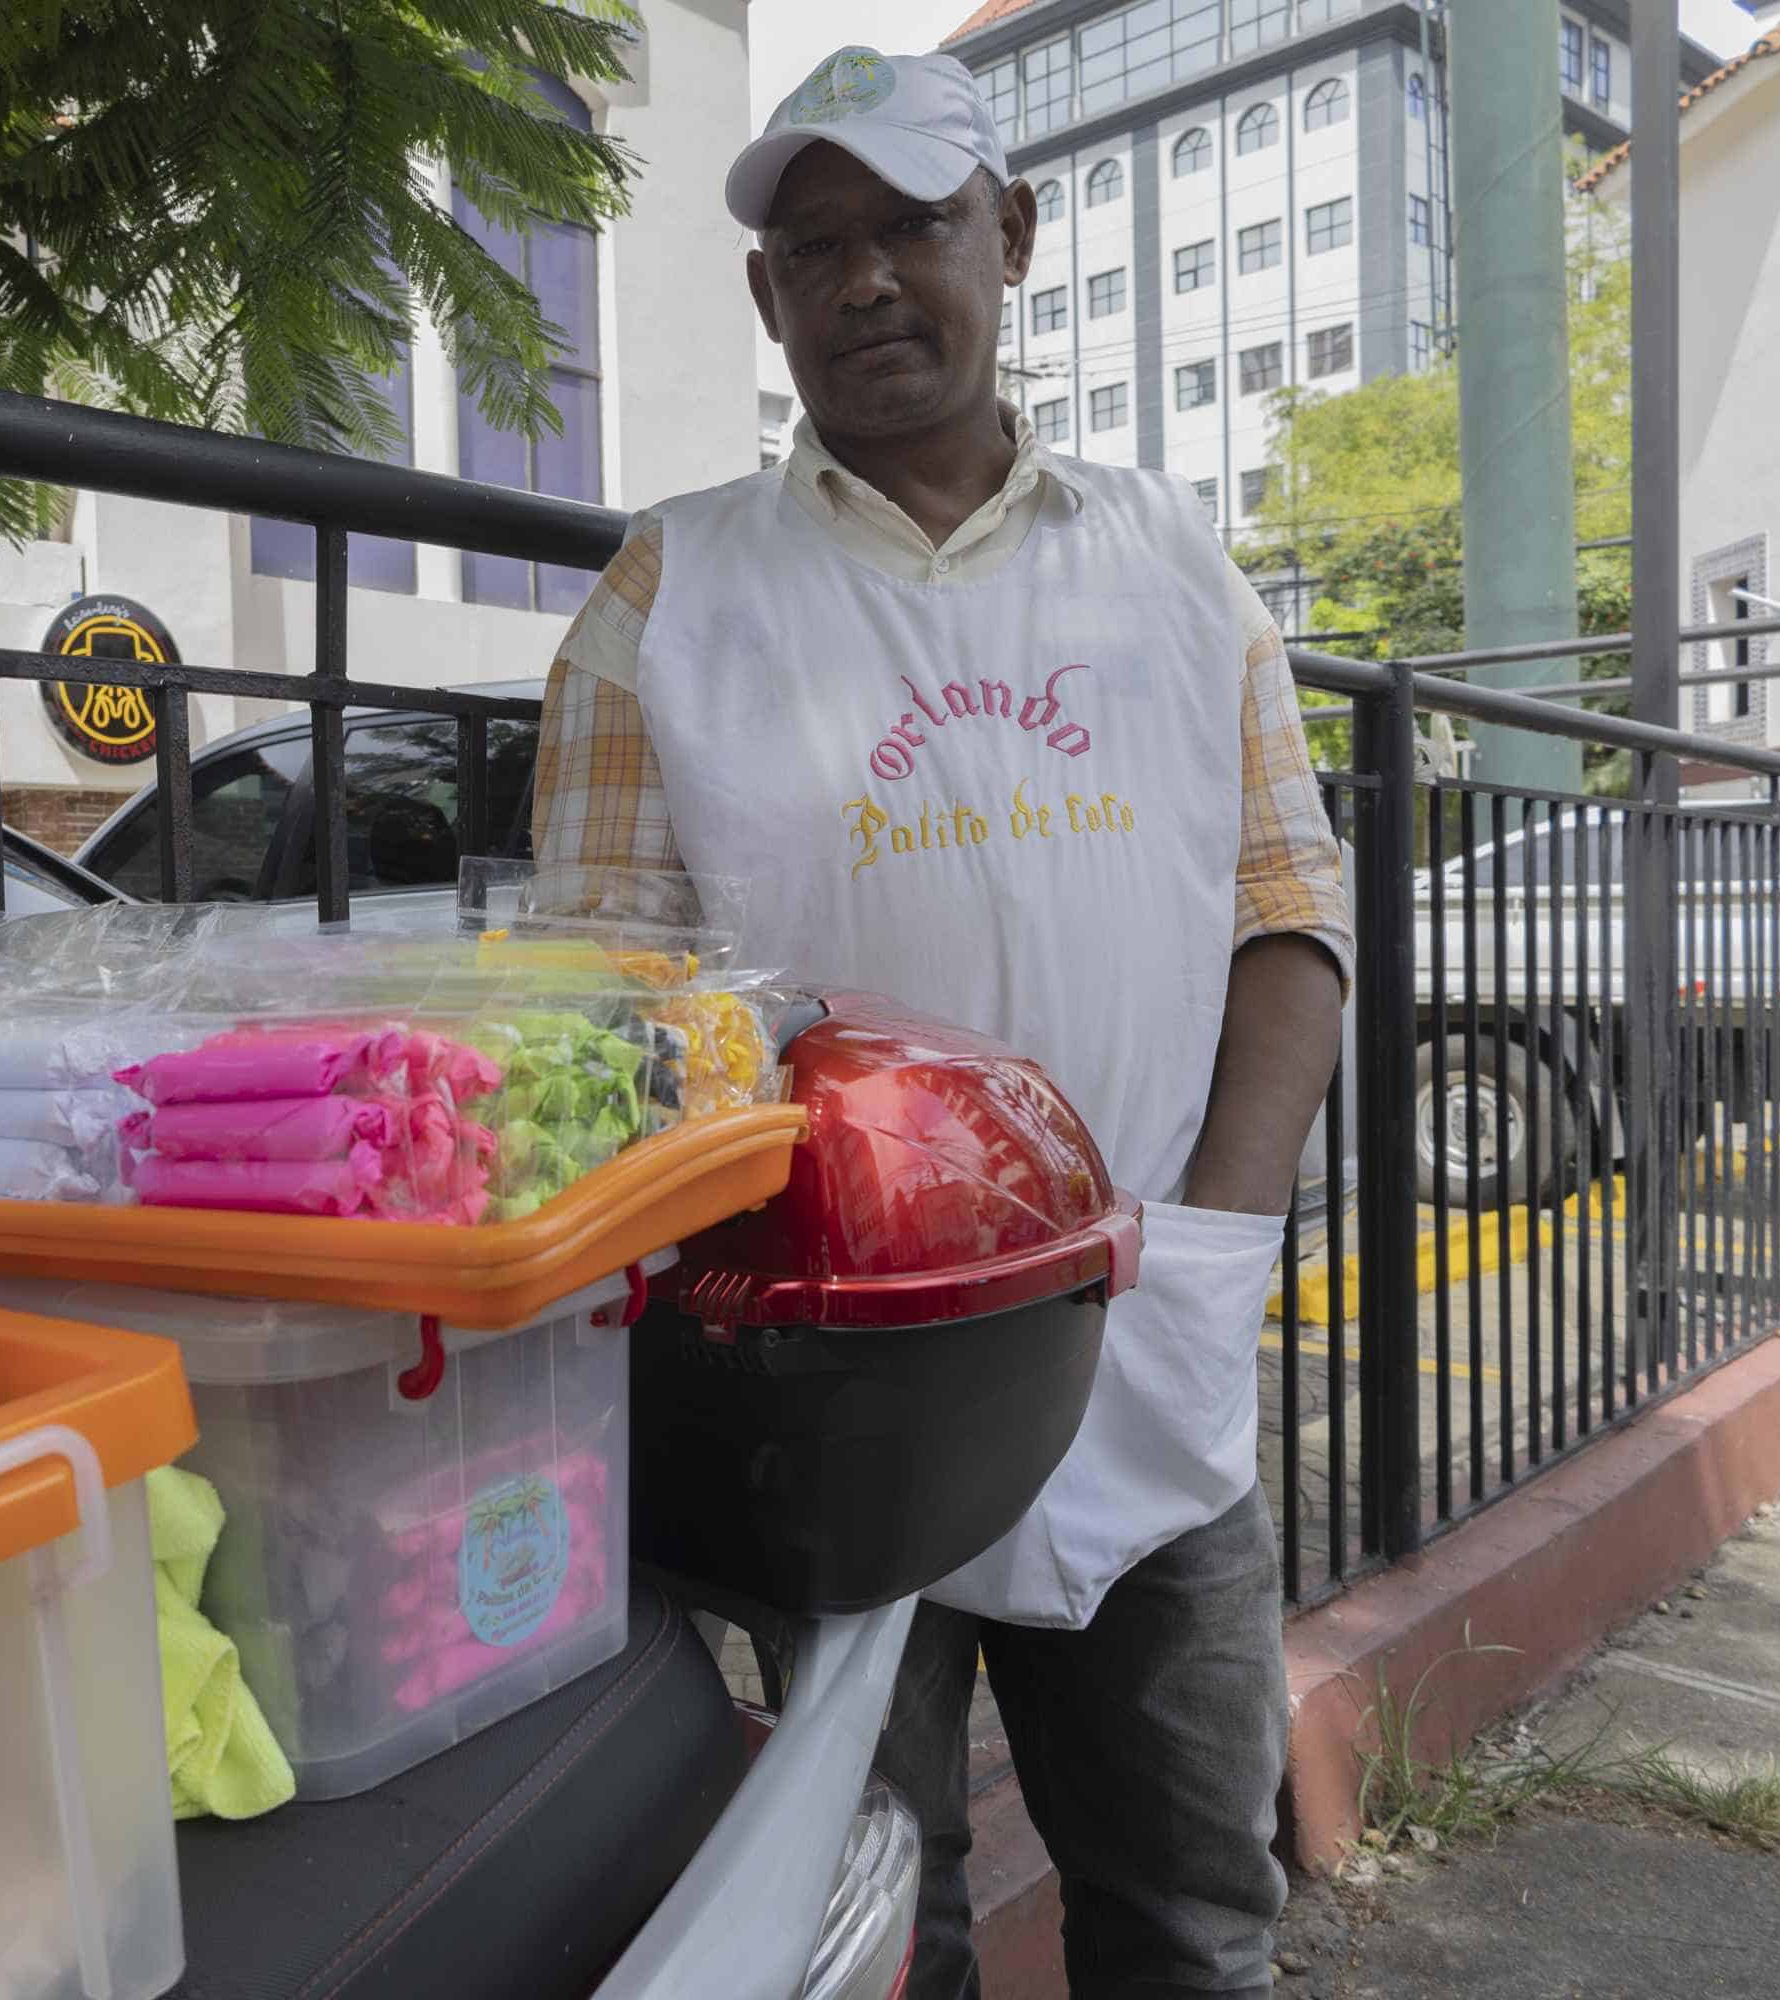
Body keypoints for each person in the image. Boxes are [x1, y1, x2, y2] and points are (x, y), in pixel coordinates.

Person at [528, 46, 1351, 2000]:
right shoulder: (678, 591)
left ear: (1015, 234)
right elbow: (596, 1011)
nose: (865, 279)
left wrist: (1208, 1248)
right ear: (765, 300)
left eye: (910, 224)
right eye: (814, 246)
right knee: (877, 1931)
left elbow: (1290, 930)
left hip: (1142, 1351)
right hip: (828, 1409)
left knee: (1190, 1909)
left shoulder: (1172, 566)